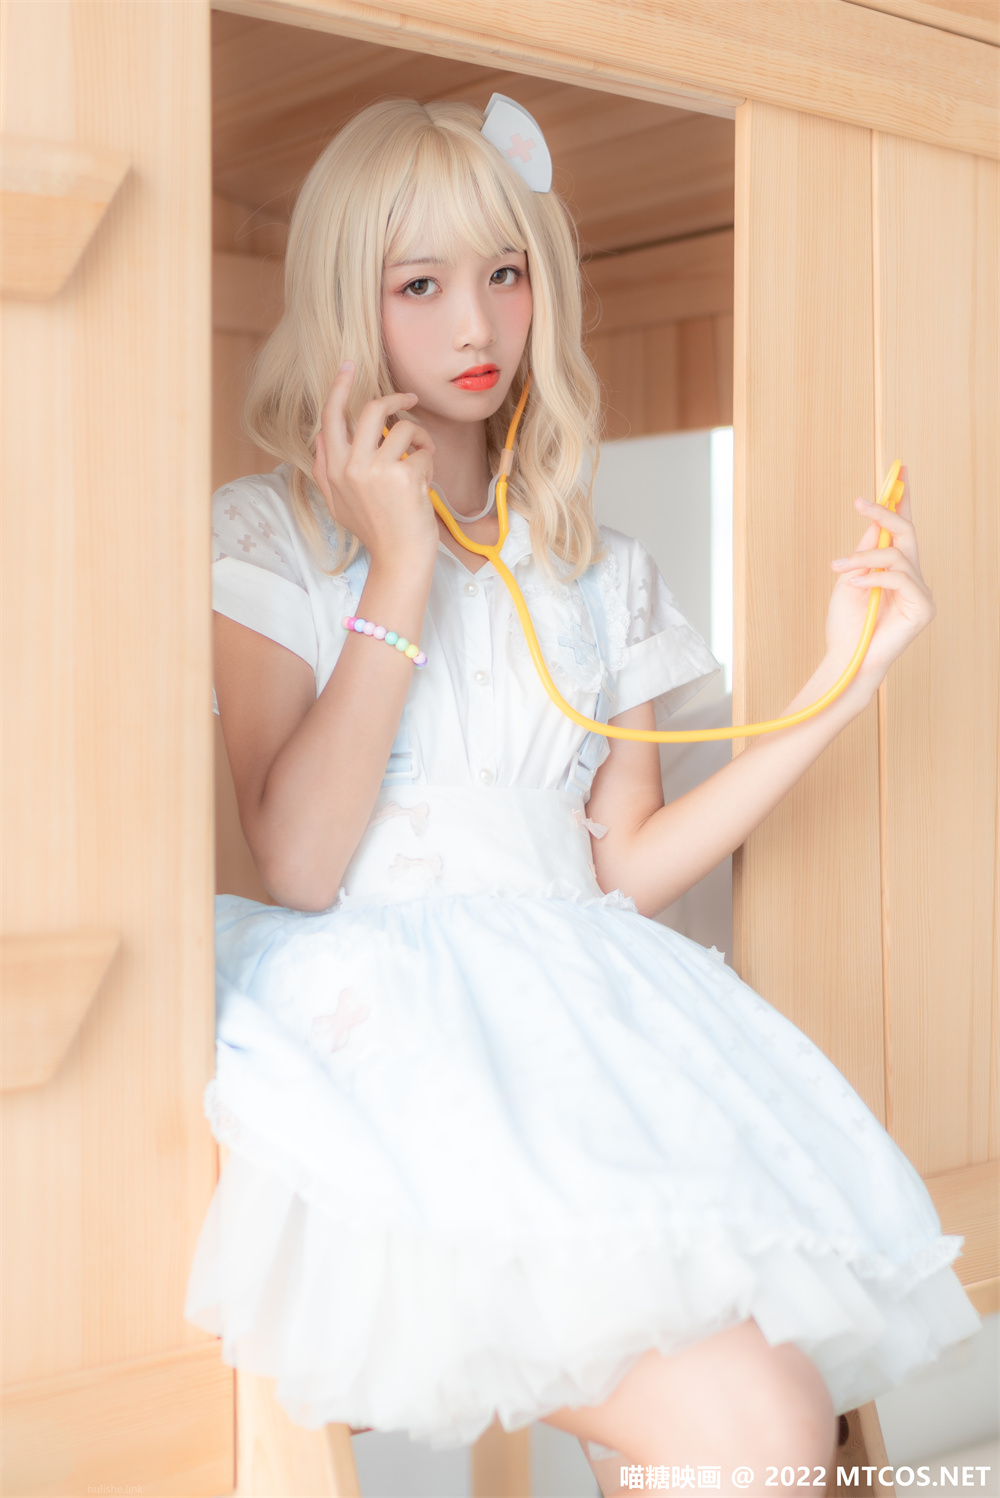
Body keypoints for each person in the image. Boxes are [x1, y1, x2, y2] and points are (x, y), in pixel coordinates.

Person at [184, 96, 982, 1496]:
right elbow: (300, 861)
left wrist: (843, 685)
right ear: (348, 302)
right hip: (385, 1038)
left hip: (583, 1019)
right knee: (755, 1426)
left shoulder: (599, 569)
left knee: (775, 1409)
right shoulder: (267, 535)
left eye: (505, 272)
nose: (476, 324)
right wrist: (399, 566)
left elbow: (622, 865)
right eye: (420, 285)